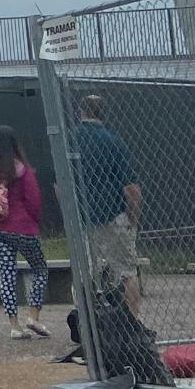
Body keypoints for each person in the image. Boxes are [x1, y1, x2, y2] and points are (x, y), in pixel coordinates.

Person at [0, 124, 48, 338]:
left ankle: (14, 326)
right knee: (39, 268)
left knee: (7, 272)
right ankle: (33, 315)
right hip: (23, 227)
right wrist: (33, 221)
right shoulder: (21, 169)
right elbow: (33, 200)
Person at [71, 92, 143, 313]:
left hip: (82, 215)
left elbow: (58, 184)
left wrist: (71, 212)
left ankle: (86, 320)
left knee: (85, 272)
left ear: (80, 112)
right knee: (127, 271)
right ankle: (132, 322)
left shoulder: (69, 140)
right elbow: (130, 187)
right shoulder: (114, 141)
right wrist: (133, 215)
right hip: (112, 214)